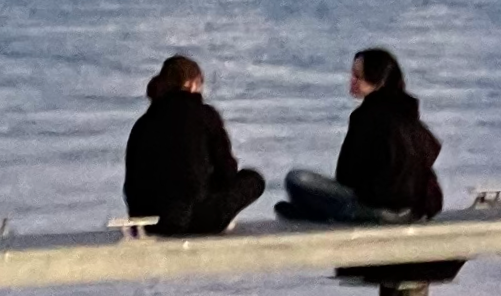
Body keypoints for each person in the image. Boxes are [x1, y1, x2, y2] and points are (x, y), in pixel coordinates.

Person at [279, 45, 444, 226]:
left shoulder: (366, 115)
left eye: (358, 76)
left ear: (379, 80)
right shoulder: (410, 115)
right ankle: (316, 213)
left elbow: (345, 176)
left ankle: (319, 214)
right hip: (412, 211)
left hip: (379, 211)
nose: (351, 81)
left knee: (296, 179)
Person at [123, 52, 267, 237]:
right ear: (191, 84)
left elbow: (131, 183)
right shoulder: (205, 116)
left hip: (150, 223)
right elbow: (227, 172)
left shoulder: (143, 123)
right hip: (192, 221)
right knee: (253, 179)